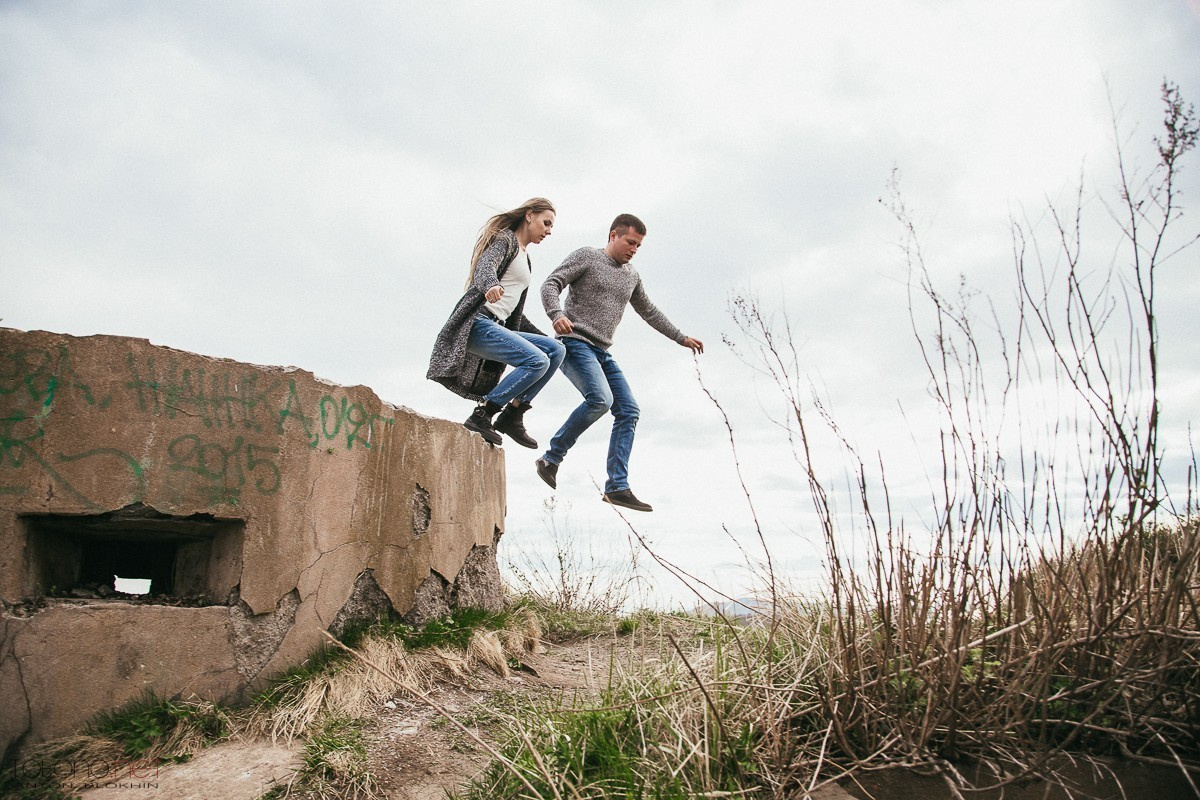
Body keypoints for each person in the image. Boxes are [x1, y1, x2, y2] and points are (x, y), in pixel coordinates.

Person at [535, 213, 703, 512]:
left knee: (629, 411)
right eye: (630, 242)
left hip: (601, 351)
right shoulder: (587, 256)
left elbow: (649, 311)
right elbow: (551, 284)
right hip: (575, 343)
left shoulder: (631, 276)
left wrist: (681, 337)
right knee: (600, 399)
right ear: (613, 235)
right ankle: (551, 458)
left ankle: (617, 487)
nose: (634, 250)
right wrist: (556, 314)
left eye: (638, 246)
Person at [427, 198, 565, 447]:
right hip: (478, 323)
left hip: (498, 326)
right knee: (537, 361)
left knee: (555, 350)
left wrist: (545, 337)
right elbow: (485, 267)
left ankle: (513, 414)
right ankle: (484, 414)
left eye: (551, 227)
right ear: (529, 215)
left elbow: (514, 314)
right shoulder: (506, 240)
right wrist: (491, 284)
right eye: (546, 223)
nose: (548, 231)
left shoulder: (526, 258)